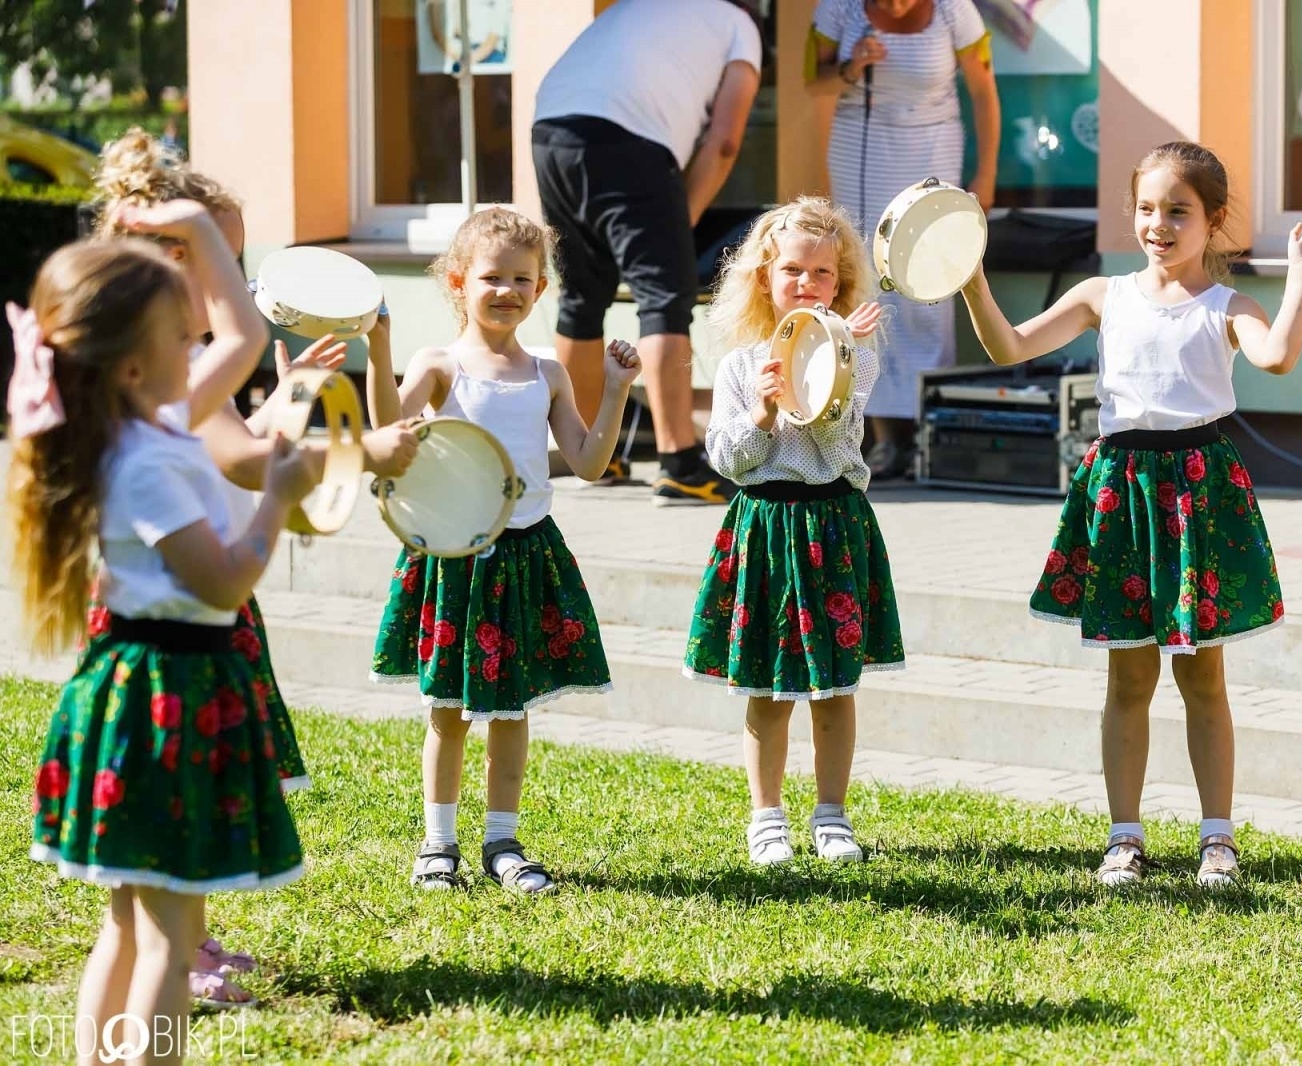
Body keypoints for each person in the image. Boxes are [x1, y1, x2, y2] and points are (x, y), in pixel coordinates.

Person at [92, 126, 420, 1005]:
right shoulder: (161, 391)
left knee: (144, 876)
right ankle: (178, 970)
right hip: (176, 641)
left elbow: (234, 432)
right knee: (171, 845)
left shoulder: (156, 376)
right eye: (227, 260)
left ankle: (177, 955)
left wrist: (284, 397)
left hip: (165, 632)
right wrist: (368, 449)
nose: (240, 281)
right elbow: (243, 465)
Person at [957, 141, 1302, 888]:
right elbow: (1008, 345)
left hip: (1198, 494)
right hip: (1120, 493)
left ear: (1213, 219)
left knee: (1203, 681)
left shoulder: (1230, 307)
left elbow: (1280, 358)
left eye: (1178, 211)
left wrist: (1299, 280)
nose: (1158, 224)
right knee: (1127, 682)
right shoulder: (1104, 295)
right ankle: (1123, 837)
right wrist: (969, 279)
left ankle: (1217, 840)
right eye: (1147, 209)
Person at [14, 224, 313, 1064]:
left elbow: (247, 333)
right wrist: (278, 499)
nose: (202, 348)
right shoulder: (145, 459)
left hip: (135, 695)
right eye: (183, 339)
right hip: (165, 700)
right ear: (135, 367)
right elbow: (224, 584)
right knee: (169, 950)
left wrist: (198, 232)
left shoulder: (145, 420)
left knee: (126, 927)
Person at [368, 208, 639, 894]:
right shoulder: (439, 365)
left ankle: (502, 841)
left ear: (541, 288)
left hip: (526, 554)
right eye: (492, 277)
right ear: (458, 282)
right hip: (457, 556)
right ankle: (437, 844)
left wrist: (616, 391)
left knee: (512, 709)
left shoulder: (547, 373)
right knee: (450, 711)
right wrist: (377, 350)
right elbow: (388, 438)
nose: (507, 290)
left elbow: (587, 460)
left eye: (523, 279)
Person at [684, 195, 904, 865]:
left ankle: (832, 816)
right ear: (765, 278)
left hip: (833, 524)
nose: (807, 285)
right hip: (767, 527)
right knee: (768, 687)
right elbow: (727, 460)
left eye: (823, 275)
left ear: (841, 284)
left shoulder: (856, 362)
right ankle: (766, 817)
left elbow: (840, 448)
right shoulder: (739, 367)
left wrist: (836, 368)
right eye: (792, 272)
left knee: (834, 687)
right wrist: (760, 413)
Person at [533, 0, 762, 504]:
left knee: (581, 294)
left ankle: (591, 451)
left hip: (551, 128)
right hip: (628, 139)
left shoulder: (646, 7)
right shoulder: (738, 25)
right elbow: (724, 142)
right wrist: (684, 222)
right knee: (665, 298)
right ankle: (679, 462)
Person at [807, 0, 1000, 479]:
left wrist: (987, 174)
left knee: (927, 284)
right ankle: (880, 436)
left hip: (932, 143)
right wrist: (854, 67)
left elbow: (983, 91)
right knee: (867, 279)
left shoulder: (955, 12)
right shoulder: (839, 9)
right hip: (860, 144)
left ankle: (922, 432)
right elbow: (813, 82)